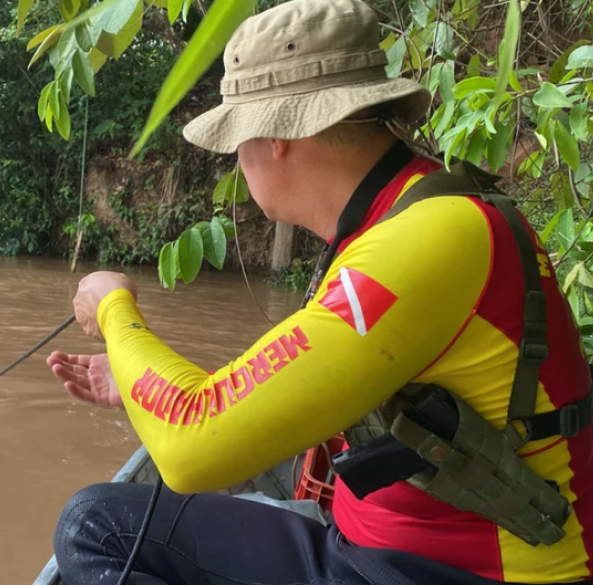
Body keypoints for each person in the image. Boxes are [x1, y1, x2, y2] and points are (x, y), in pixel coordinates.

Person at [46, 0, 593, 583]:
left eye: (237, 142)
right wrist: (131, 380)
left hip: (447, 570)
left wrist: (114, 306)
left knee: (94, 525)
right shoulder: (418, 210)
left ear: (276, 135)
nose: (238, 163)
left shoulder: (424, 241)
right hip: (387, 545)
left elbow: (187, 447)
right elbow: (295, 377)